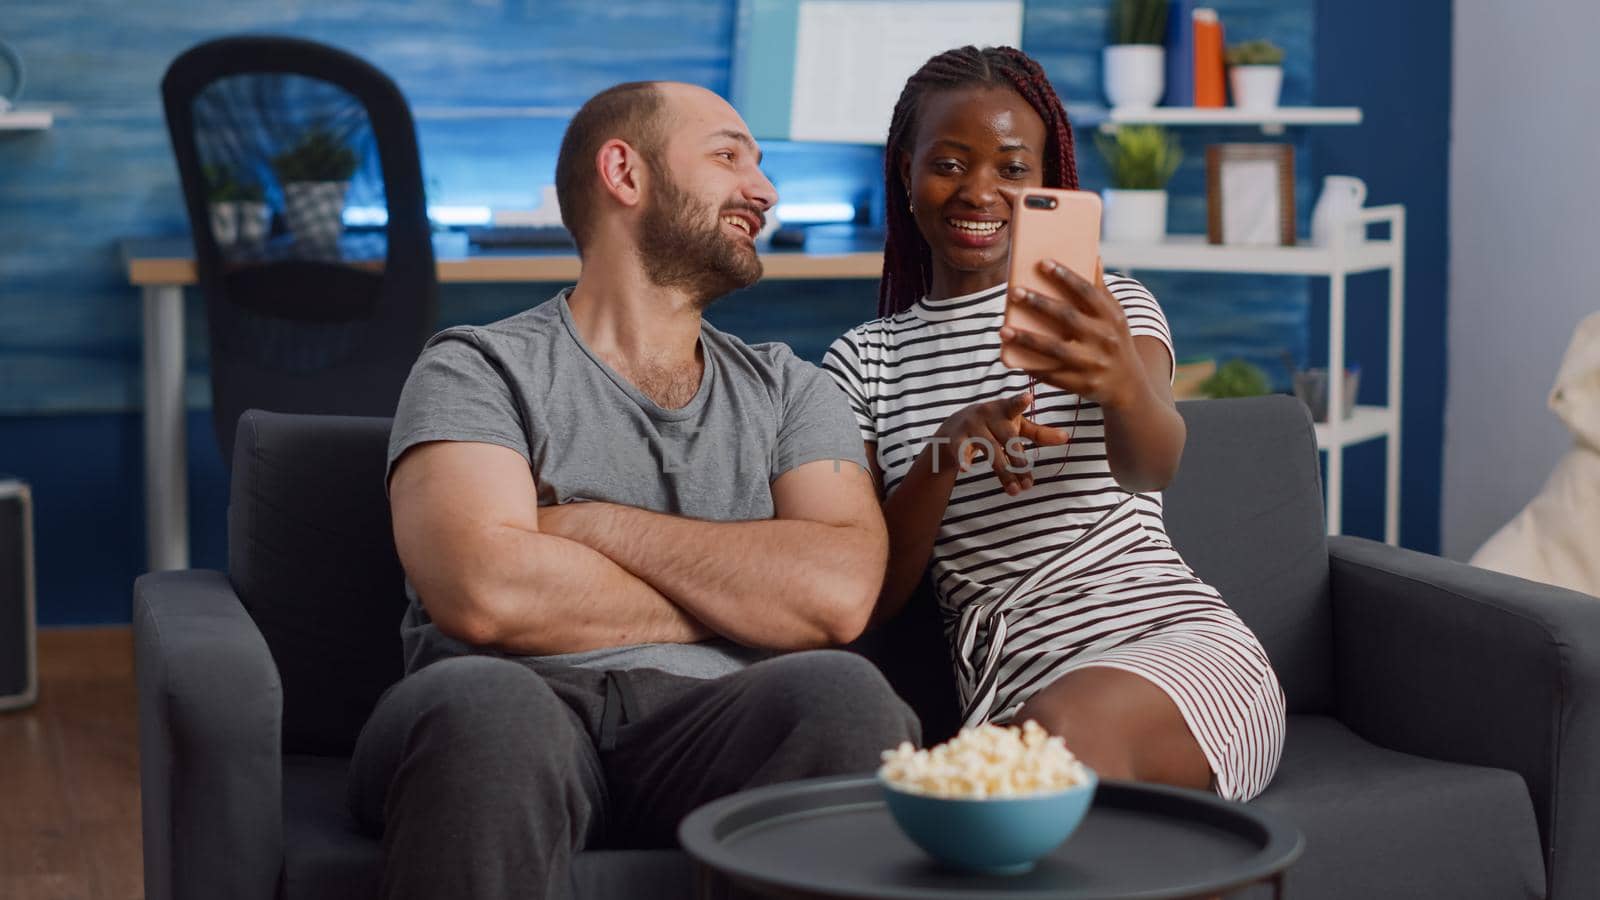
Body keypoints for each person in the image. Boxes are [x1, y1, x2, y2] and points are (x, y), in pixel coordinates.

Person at [347, 81, 920, 900]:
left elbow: (836, 597)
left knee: (845, 694)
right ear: (624, 171)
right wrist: (743, 596)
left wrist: (588, 526)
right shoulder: (476, 366)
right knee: (491, 711)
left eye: (759, 165)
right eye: (728, 156)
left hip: (715, 726)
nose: (764, 190)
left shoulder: (792, 390)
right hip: (507, 707)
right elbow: (485, 594)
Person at [822, 46, 1285, 802]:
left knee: (1052, 746)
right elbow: (875, 594)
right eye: (948, 163)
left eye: (1011, 168)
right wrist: (944, 454)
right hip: (1011, 698)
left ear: (1047, 183)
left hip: (1173, 654)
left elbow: (1152, 465)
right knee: (984, 788)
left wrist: (1120, 384)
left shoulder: (1110, 307)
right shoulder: (865, 361)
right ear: (906, 171)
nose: (980, 192)